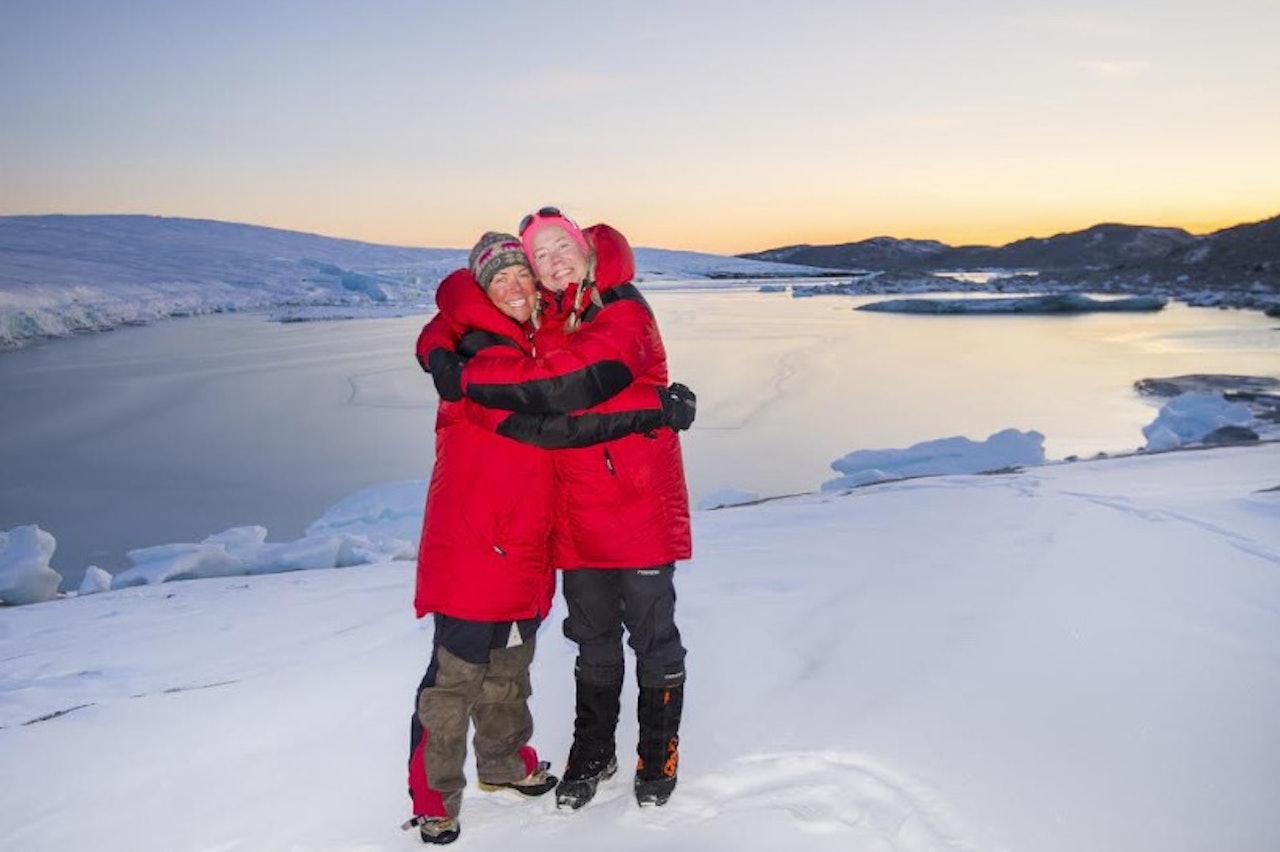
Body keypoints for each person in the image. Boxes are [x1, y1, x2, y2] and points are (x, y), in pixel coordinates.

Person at [405, 232, 694, 844]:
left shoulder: (572, 324)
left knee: (515, 664)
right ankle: (439, 799)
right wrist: (655, 411)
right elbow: (554, 417)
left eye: (522, 275)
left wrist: (653, 408)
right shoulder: (481, 355)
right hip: (484, 541)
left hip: (542, 540)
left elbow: (579, 386)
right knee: (457, 675)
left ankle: (528, 762)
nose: (515, 285)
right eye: (500, 278)